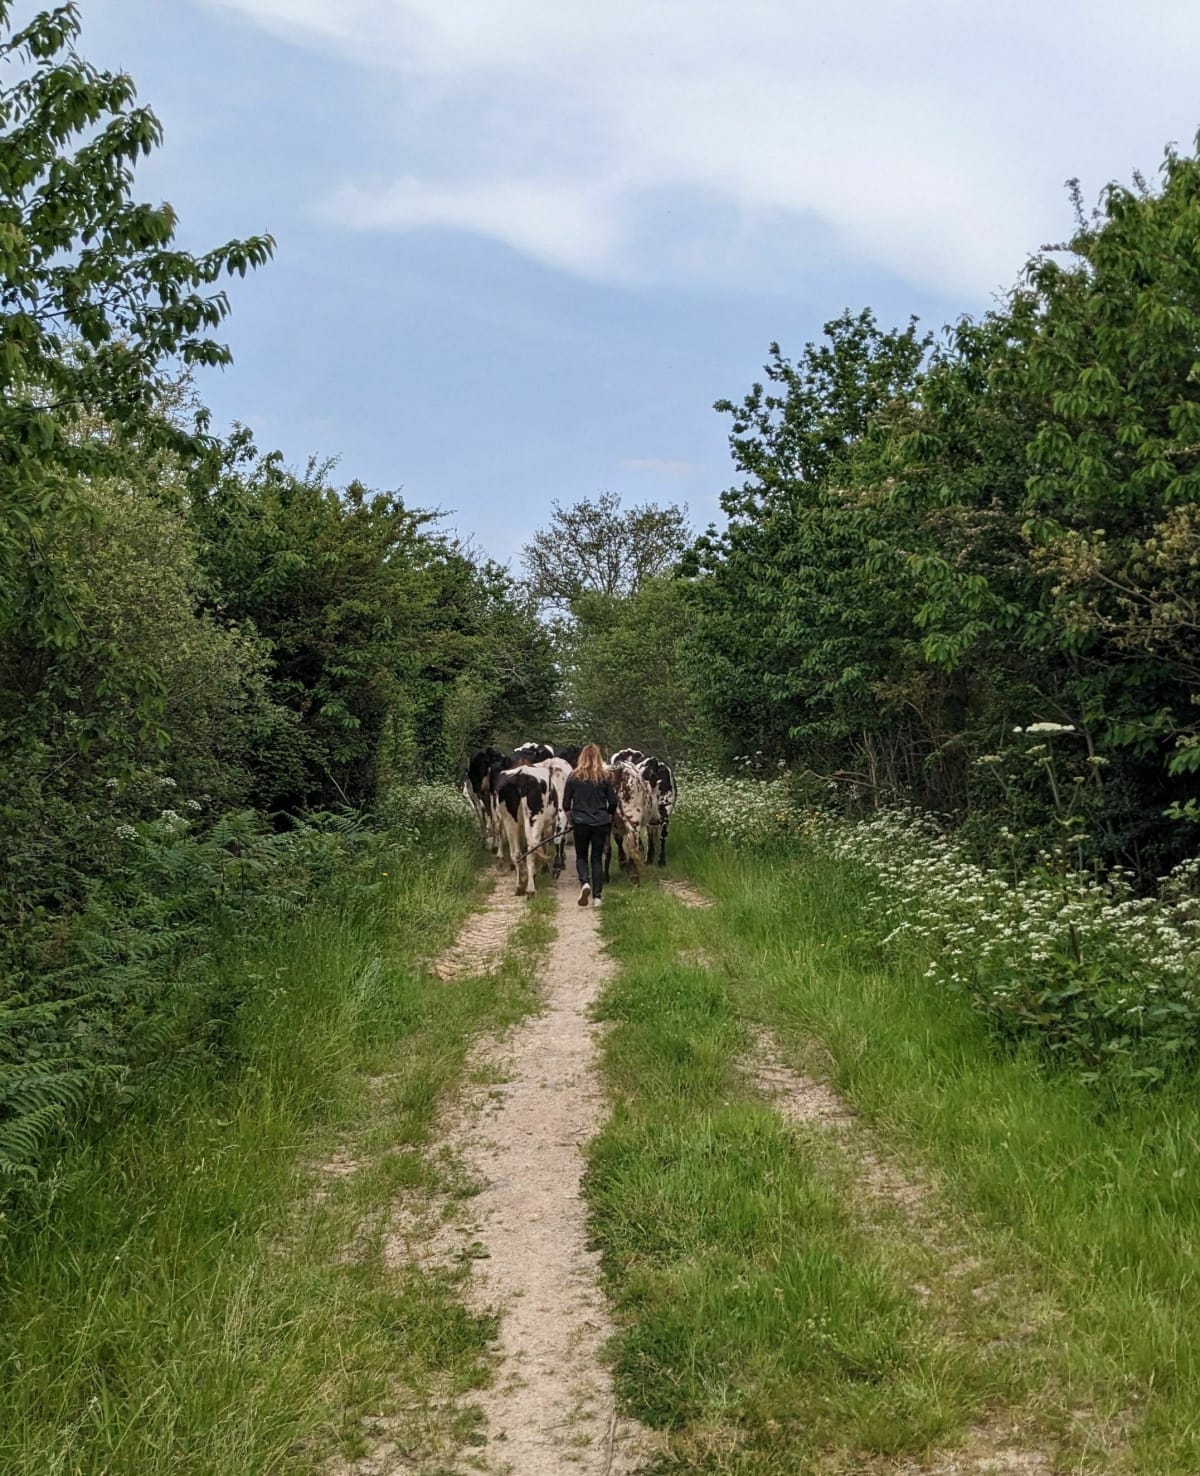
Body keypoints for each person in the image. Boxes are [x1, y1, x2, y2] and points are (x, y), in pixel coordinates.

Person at [562, 744, 618, 907]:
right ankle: (597, 897)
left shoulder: (574, 776)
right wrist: (609, 815)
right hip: (600, 822)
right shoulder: (605, 777)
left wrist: (571, 819)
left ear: (582, 757)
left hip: (580, 822)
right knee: (597, 858)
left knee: (581, 856)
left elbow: (566, 804)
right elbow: (613, 801)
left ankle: (585, 882)